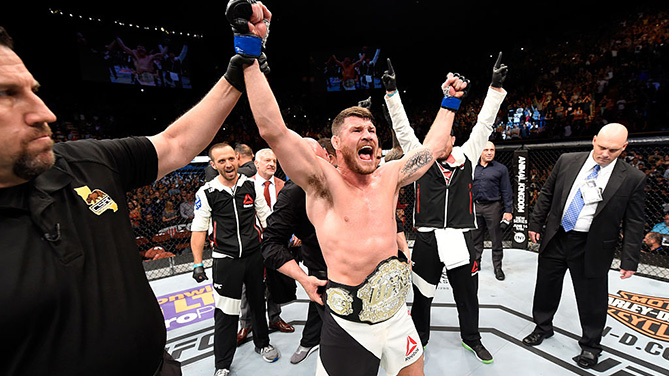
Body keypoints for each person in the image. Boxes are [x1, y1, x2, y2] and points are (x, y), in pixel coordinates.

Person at [225, 5, 466, 372]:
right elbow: (273, 130)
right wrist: (249, 52)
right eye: (357, 130)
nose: (368, 134)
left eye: (371, 130)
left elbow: (431, 151)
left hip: (396, 315)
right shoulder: (323, 184)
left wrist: (450, 101)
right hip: (350, 322)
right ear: (337, 144)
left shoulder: (388, 176)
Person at [0, 23, 247, 375]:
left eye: (33, 90)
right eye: (7, 93)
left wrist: (237, 74)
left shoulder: (85, 161)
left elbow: (176, 144)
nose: (44, 113)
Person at [384, 55, 507, 364]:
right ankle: (420, 338)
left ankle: (472, 339)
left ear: (453, 137)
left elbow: (485, 123)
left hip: (462, 238)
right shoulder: (419, 158)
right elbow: (402, 128)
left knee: (467, 295)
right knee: (422, 295)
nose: (442, 142)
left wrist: (494, 87)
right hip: (427, 239)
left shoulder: (468, 154)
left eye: (447, 137)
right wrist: (391, 94)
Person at [523, 123, 646, 369]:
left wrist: (629, 259)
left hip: (592, 245)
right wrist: (535, 224)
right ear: (593, 140)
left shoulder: (633, 178)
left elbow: (634, 221)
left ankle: (591, 346)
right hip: (557, 236)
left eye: (613, 150)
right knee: (546, 286)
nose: (605, 154)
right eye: (602, 147)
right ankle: (543, 327)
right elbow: (547, 193)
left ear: (624, 147)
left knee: (592, 298)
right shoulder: (567, 160)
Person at [190, 143, 279, 375]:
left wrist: (274, 246)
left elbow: (266, 217)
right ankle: (222, 364)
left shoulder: (250, 185)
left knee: (258, 303)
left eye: (231, 159)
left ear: (238, 159)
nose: (228, 164)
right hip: (225, 260)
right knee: (226, 313)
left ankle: (263, 343)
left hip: (254, 256)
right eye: (222, 161)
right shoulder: (207, 192)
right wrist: (198, 264)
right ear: (213, 164)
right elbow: (199, 230)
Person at [261, 138, 333, 365]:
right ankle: (311, 341)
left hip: (360, 268)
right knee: (325, 305)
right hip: (321, 268)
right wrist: (303, 278)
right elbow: (271, 242)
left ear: (329, 156)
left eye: (317, 158)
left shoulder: (347, 179)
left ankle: (310, 339)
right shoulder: (293, 193)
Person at [238, 148, 294, 346]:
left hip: (277, 241)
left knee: (275, 280)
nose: (272, 164)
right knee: (248, 284)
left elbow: (291, 212)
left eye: (275, 161)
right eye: (267, 160)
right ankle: (246, 324)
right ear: (257, 164)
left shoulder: (283, 185)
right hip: (252, 243)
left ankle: (275, 317)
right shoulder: (246, 185)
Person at [471, 141, 513, 280]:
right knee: (475, 237)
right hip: (475, 206)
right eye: (486, 150)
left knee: (496, 238)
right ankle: (476, 263)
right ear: (480, 151)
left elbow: (506, 190)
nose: (489, 152)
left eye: (492, 150)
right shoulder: (472, 167)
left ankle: (498, 267)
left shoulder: (501, 169)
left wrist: (508, 210)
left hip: (493, 207)